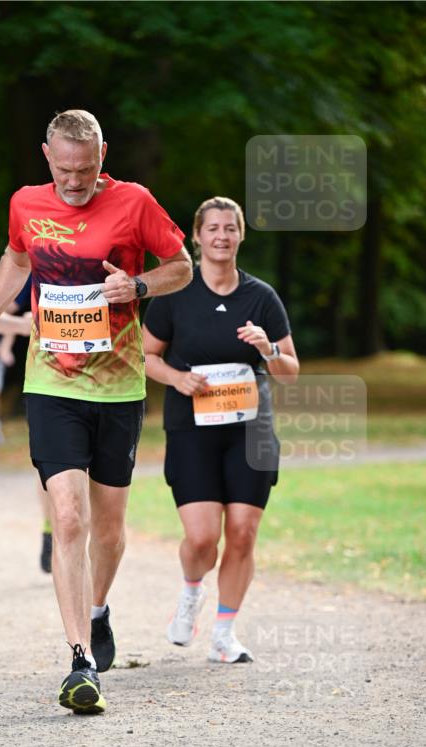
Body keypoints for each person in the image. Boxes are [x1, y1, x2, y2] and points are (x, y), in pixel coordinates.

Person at [0, 109, 192, 713]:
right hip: (52, 382)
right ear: (47, 156)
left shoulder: (135, 202)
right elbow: (16, 259)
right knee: (68, 518)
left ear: (102, 155)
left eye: (86, 169)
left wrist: (138, 287)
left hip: (118, 386)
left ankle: (98, 607)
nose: (74, 181)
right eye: (64, 169)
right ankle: (79, 660)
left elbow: (182, 266)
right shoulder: (26, 203)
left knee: (110, 528)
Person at [143, 196, 300, 663]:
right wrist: (177, 378)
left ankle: (224, 635)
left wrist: (267, 348)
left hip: (251, 428)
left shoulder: (261, 297)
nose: (221, 236)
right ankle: (192, 592)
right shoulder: (175, 293)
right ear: (196, 235)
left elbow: (291, 369)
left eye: (230, 228)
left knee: (244, 532)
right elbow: (145, 356)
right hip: (191, 426)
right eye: (212, 228)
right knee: (201, 537)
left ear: (240, 236)